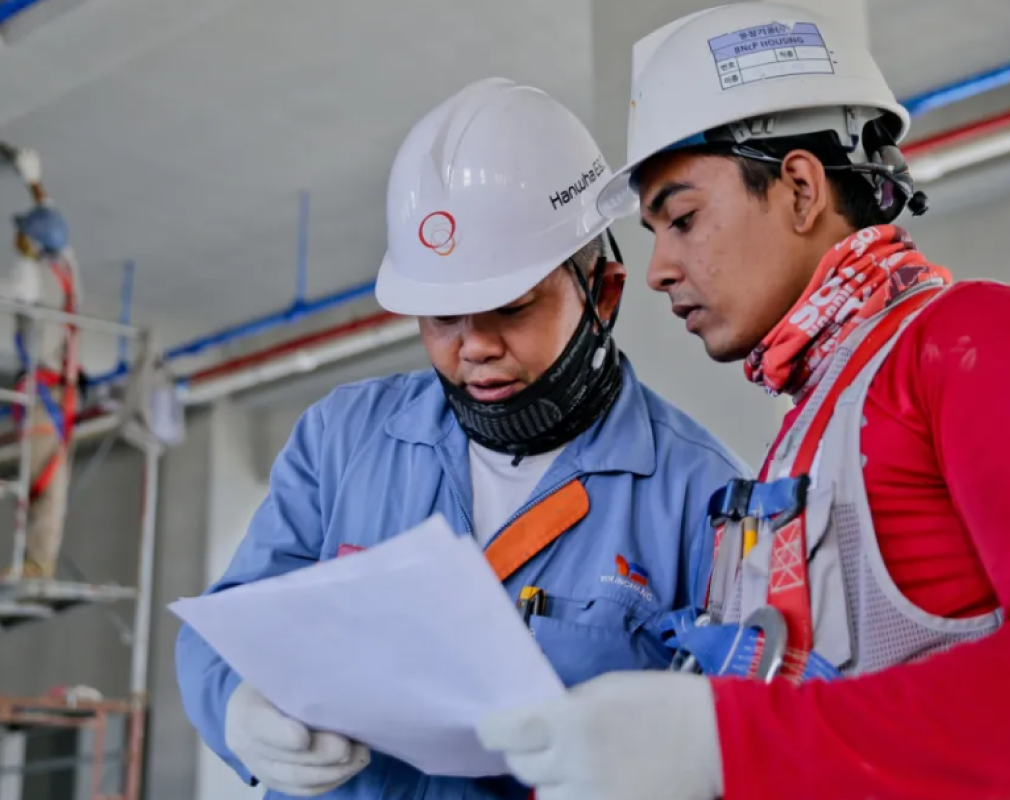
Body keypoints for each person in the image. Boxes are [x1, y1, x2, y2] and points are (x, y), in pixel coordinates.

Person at [476, 5, 1010, 800]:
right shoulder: (814, 425)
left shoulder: (979, 341)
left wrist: (722, 743)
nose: (661, 267)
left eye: (682, 218)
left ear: (801, 188)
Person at [174, 77, 746, 800]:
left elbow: (739, 730)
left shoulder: (702, 498)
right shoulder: (341, 441)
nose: (473, 347)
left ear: (603, 292)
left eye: (509, 308)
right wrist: (236, 706)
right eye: (441, 316)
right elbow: (229, 621)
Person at [0, 144, 83, 581]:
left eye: (20, 233)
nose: (14, 237)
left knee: (40, 483)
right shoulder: (65, 269)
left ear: (30, 244)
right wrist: (35, 182)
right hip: (60, 392)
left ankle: (35, 565)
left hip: (41, 399)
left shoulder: (28, 277)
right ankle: (38, 562)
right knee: (49, 479)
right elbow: (55, 227)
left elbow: (11, 284)